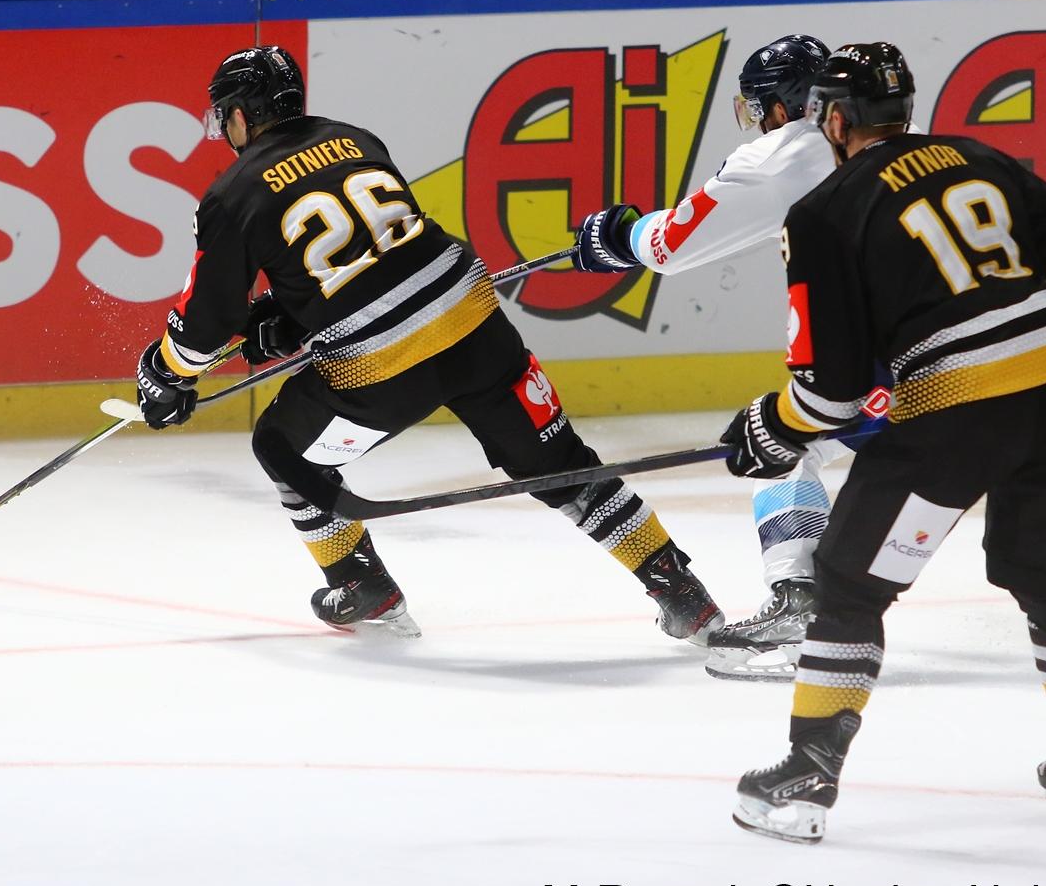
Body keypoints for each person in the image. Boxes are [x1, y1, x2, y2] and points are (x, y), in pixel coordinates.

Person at [134, 45, 723, 642]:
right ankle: (683, 592)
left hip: (381, 369)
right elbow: (382, 254)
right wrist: (290, 314)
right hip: (476, 327)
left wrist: (167, 373)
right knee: (562, 464)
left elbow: (207, 321)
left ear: (239, 116)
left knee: (284, 446)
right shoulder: (354, 139)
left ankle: (364, 587)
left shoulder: (232, 191)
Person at [720, 42, 1046, 843]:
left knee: (846, 582)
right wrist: (1019, 357)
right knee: (1043, 572)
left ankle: (805, 779)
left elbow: (827, 393)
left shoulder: (822, 211)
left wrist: (767, 430)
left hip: (958, 421)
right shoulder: (981, 157)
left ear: (833, 121)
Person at [572, 34, 864, 680]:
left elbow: (673, 243)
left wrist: (619, 235)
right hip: (1006, 340)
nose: (760, 119)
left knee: (781, 441)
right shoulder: (895, 134)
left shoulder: (784, 154)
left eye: (761, 106)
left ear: (784, 106)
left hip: (898, 360)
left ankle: (799, 598)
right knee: (990, 451)